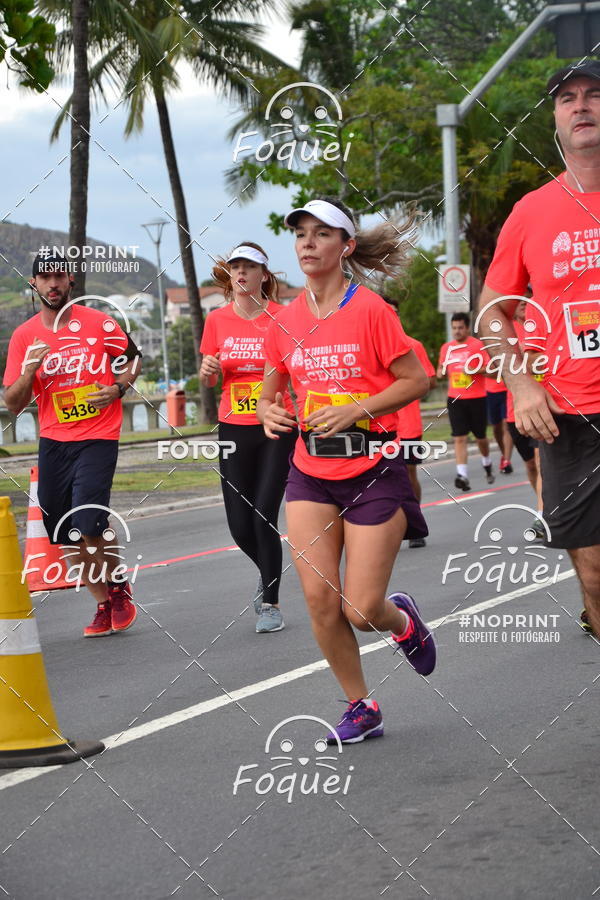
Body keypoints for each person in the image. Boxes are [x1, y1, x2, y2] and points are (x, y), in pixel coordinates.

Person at [258, 196, 435, 744]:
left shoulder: (372, 311)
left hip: (374, 468)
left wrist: (357, 408)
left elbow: (417, 380)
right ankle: (362, 706)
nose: (308, 242)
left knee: (361, 609)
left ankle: (400, 620)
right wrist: (268, 411)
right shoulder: (284, 320)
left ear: (346, 246)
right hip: (310, 473)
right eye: (300, 234)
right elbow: (270, 389)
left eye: (322, 233)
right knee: (318, 599)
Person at [478, 61, 600, 638]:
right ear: (554, 117)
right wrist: (522, 384)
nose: (581, 105)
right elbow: (491, 311)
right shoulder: (531, 212)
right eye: (567, 98)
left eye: (594, 94)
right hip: (568, 416)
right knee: (594, 571)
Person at [2, 252, 141, 637]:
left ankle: (117, 587)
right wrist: (30, 370)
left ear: (70, 281)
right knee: (65, 530)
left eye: (59, 276)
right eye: (45, 277)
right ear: (33, 283)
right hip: (54, 440)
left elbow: (132, 359)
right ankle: (103, 601)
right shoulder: (24, 336)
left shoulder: (98, 322)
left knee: (89, 519)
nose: (53, 283)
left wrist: (117, 388)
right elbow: (12, 403)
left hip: (98, 436)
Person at [200, 242, 297, 633]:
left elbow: (298, 369)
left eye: (249, 266)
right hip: (233, 427)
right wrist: (207, 372)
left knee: (262, 514)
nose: (241, 272)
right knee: (240, 526)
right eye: (235, 266)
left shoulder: (284, 317)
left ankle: (271, 603)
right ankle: (267, 571)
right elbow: (210, 380)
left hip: (276, 425)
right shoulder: (216, 320)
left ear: (263, 274)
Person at [437, 312, 495, 492]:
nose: (457, 331)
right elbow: (440, 369)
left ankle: (487, 462)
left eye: (460, 327)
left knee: (480, 437)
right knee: (459, 437)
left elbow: (491, 369)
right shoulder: (446, 348)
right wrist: (440, 372)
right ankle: (462, 475)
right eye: (454, 328)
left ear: (468, 328)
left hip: (477, 398)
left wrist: (475, 369)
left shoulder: (478, 345)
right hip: (455, 399)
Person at [395, 332, 436, 548]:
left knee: (410, 472)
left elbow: (431, 380)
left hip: (409, 423)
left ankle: (414, 525)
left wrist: (407, 382)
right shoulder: (368, 344)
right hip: (380, 424)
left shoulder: (413, 345)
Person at [485, 375, 513, 474]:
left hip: (508, 390)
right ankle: (504, 454)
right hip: (491, 392)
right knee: (496, 428)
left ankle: (506, 460)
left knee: (506, 425)